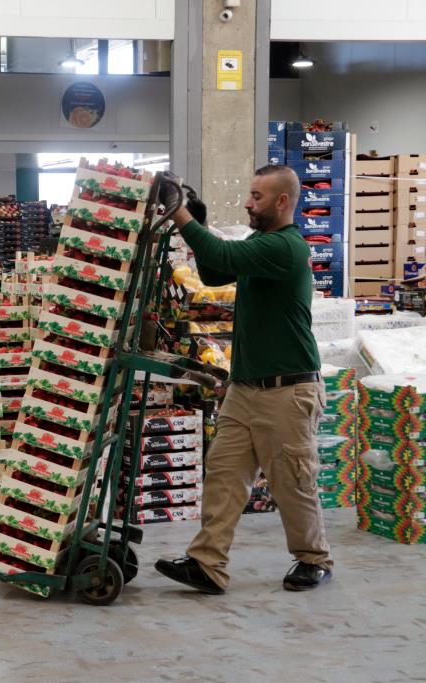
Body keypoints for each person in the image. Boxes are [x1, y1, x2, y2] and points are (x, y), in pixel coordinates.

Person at [154, 164, 332, 594]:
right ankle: (207, 563)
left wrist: (181, 214)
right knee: (223, 473)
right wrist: (198, 218)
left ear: (282, 201)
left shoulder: (286, 247)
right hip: (246, 387)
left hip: (288, 389)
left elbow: (222, 257)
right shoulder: (262, 242)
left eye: (257, 196)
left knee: (291, 479)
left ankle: (313, 559)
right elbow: (215, 272)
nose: (249, 203)